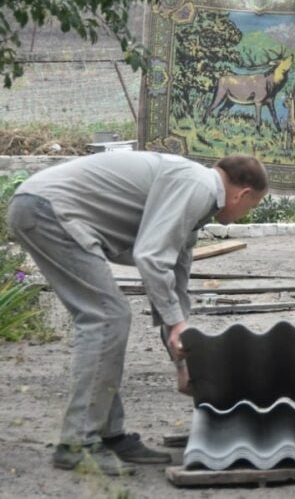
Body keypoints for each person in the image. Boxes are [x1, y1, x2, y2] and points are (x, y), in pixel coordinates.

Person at [6, 152, 267, 476]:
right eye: (251, 207)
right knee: (107, 316)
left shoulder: (194, 204)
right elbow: (151, 257)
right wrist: (175, 325)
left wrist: (183, 362)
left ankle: (108, 434)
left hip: (45, 208)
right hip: (47, 210)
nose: (244, 214)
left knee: (108, 318)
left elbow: (175, 287)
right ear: (242, 194)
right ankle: (78, 444)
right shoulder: (197, 186)